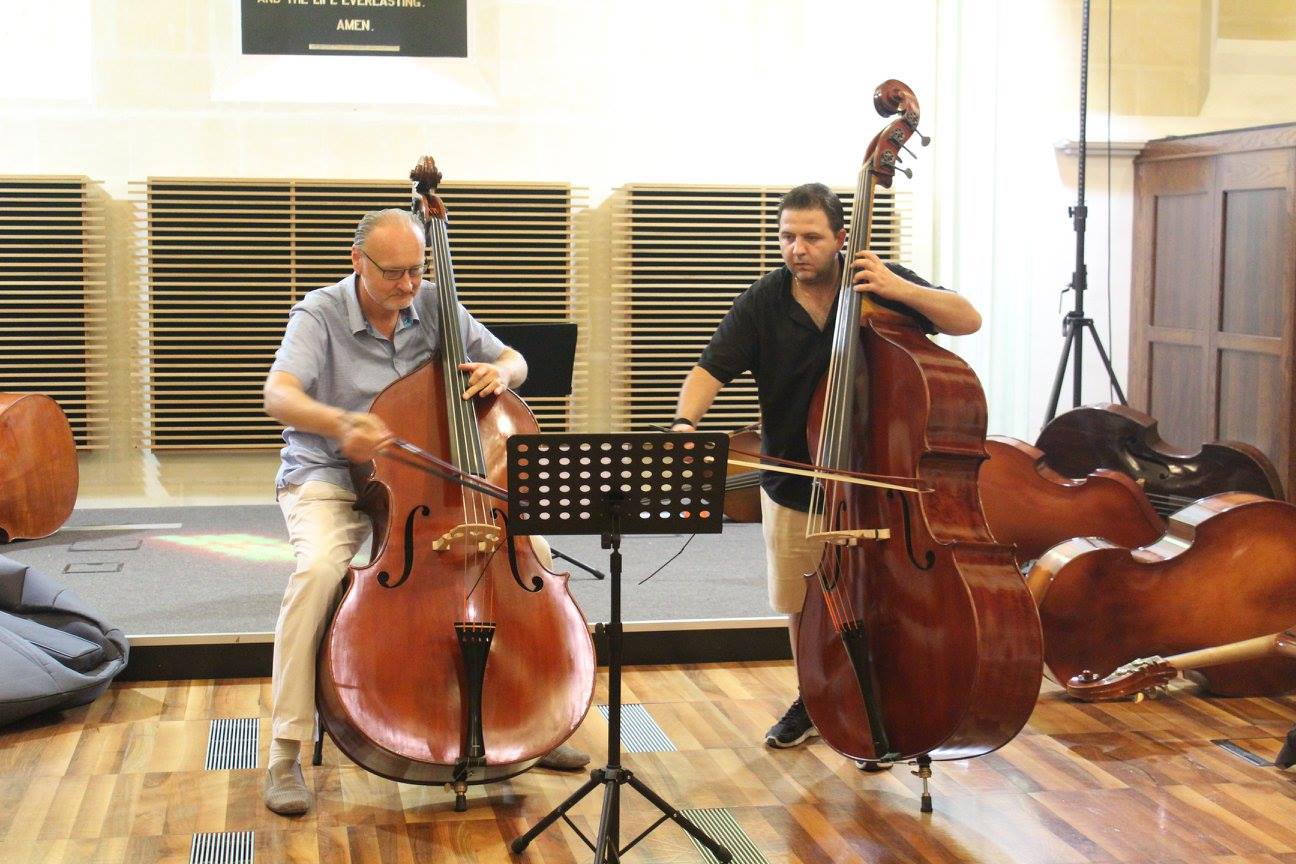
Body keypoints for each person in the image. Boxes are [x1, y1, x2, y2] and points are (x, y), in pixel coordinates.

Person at [261, 207, 588, 816]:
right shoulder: (320, 313)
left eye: (417, 271)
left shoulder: (434, 302)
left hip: (422, 481)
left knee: (533, 555)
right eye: (393, 274)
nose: (408, 287)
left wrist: (502, 370)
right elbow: (277, 394)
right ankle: (284, 748)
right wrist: (339, 423)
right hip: (330, 472)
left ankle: (533, 723)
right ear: (356, 261)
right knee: (318, 573)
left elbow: (515, 359)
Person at [669, 183, 981, 761]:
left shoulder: (878, 283)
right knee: (800, 602)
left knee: (886, 592)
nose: (796, 248)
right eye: (787, 236)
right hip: (793, 482)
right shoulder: (765, 299)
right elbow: (708, 370)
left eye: (810, 237)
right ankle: (812, 697)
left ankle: (887, 698)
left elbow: (967, 319)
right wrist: (685, 425)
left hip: (880, 487)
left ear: (842, 238)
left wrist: (895, 286)